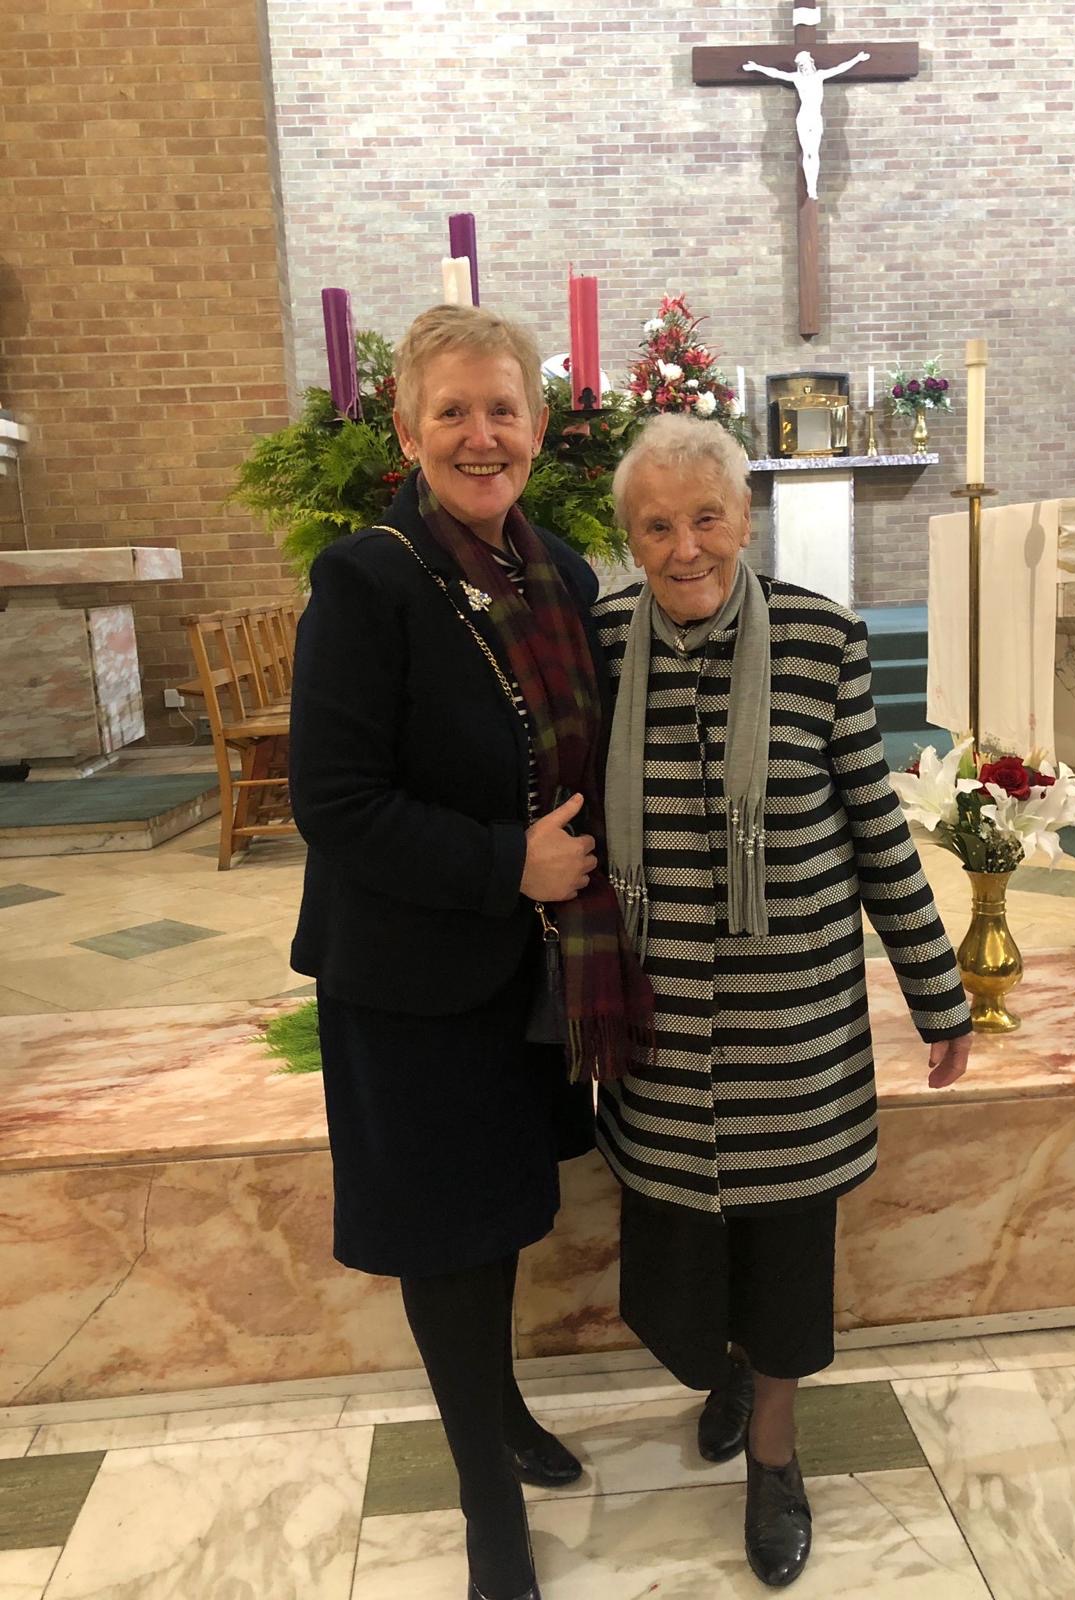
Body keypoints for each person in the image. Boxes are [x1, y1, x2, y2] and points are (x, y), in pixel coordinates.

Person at [288, 304, 653, 1600]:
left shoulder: (558, 566)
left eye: (503, 409)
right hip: (411, 979)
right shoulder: (368, 580)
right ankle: (486, 1508)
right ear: (406, 429)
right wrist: (506, 859)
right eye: (452, 412)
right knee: (449, 1232)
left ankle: (498, 1410)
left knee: (499, 1213)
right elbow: (330, 802)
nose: (480, 435)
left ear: (540, 428)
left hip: (533, 974)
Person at [594, 413, 972, 1590]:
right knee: (674, 1258)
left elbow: (873, 827)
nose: (684, 546)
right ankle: (720, 1367)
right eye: (656, 525)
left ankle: (774, 1449)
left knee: (791, 1253)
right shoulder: (604, 640)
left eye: (706, 518)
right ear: (632, 539)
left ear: (745, 522)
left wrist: (938, 992)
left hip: (791, 1025)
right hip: (657, 1023)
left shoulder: (821, 637)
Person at [742, 49, 870, 198]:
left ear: (811, 62)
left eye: (805, 64)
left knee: (813, 153)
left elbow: (840, 68)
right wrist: (757, 67)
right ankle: (810, 186)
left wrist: (857, 59)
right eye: (801, 65)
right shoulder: (797, 78)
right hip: (804, 117)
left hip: (815, 117)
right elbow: (776, 73)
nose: (803, 67)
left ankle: (812, 187)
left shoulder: (819, 76)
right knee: (808, 152)